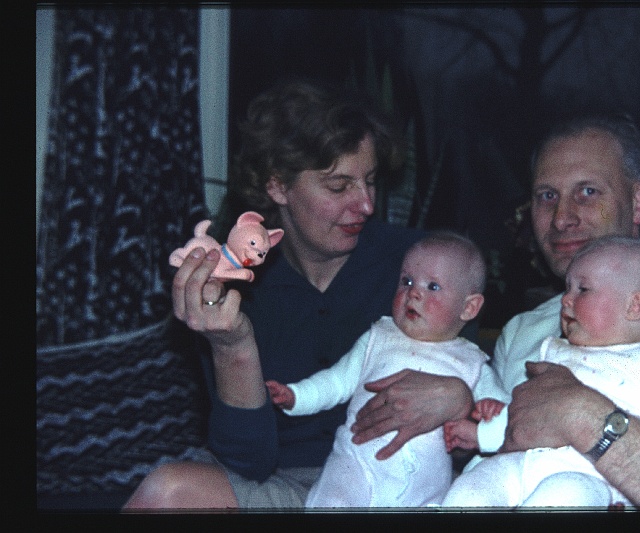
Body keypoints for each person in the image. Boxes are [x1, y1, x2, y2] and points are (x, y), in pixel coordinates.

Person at [350, 113, 640, 507]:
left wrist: (582, 416)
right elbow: (498, 445)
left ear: (639, 201)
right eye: (546, 196)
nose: (561, 219)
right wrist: (460, 401)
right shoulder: (523, 329)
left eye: (588, 192)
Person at [124, 79, 430, 510]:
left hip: (394, 486)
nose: (365, 205)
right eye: (339, 186)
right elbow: (246, 462)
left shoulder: (418, 264)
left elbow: (470, 393)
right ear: (278, 187)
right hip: (288, 487)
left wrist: (458, 394)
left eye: (371, 181)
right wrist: (234, 347)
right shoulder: (237, 282)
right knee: (167, 493)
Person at [440, 236, 640, 507]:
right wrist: (481, 435)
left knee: (562, 499)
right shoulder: (555, 351)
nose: (566, 299)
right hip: (523, 463)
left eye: (582, 289)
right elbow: (527, 415)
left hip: (590, 477)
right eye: (567, 287)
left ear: (634, 307)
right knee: (471, 490)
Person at [266, 231, 496, 507]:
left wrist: (492, 410)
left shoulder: (472, 362)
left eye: (432, 286)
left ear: (469, 307)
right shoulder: (378, 337)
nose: (414, 293)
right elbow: (338, 381)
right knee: (332, 501)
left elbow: (502, 414)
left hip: (424, 485)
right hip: (356, 463)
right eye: (406, 281)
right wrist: (296, 396)